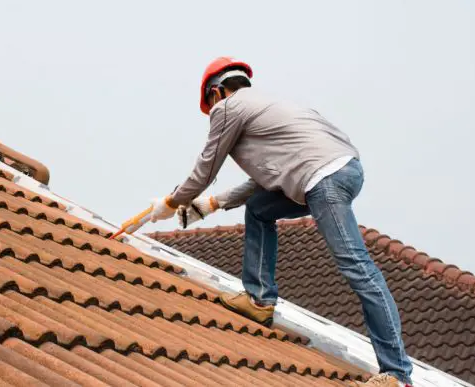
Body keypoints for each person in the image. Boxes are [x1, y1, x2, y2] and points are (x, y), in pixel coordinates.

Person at [146, 57, 413, 387]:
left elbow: (205, 169)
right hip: (336, 171)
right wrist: (213, 204)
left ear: (216, 93)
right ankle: (259, 299)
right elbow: (271, 181)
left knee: (356, 266)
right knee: (259, 209)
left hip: (323, 178)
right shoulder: (270, 108)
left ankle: (397, 375)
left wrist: (171, 202)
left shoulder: (228, 109)